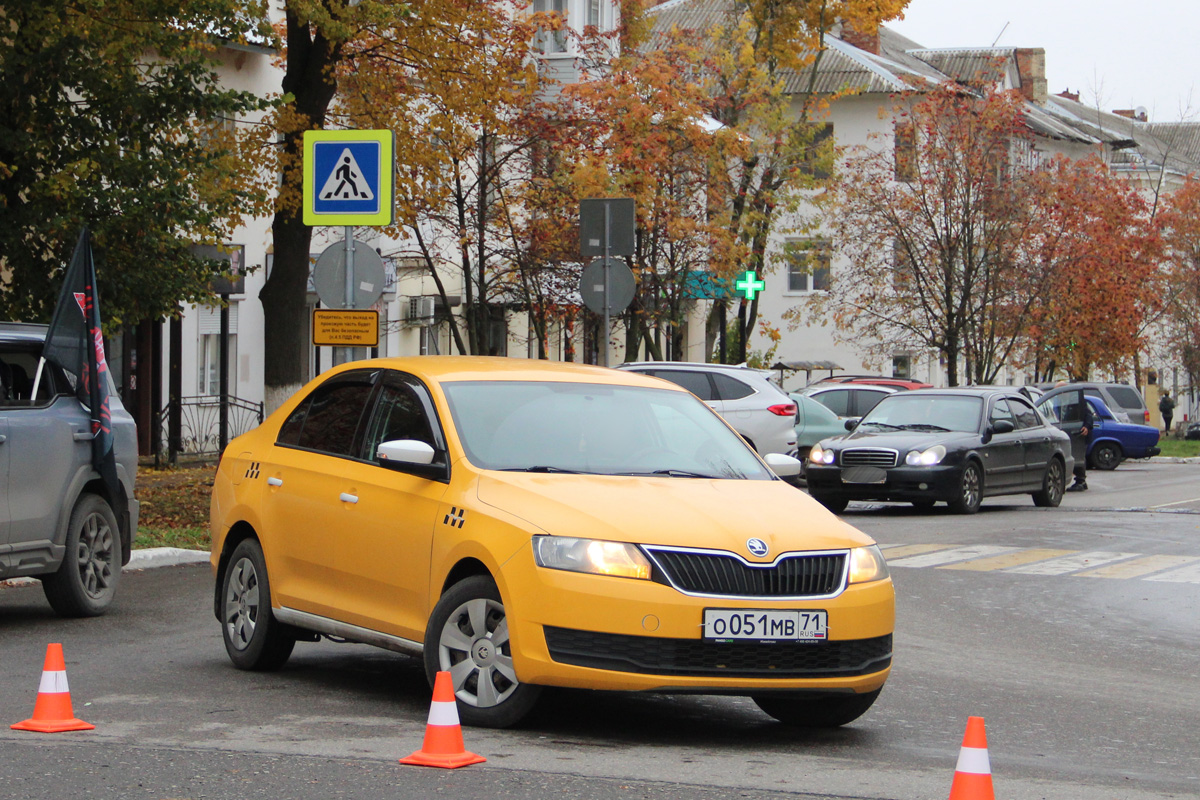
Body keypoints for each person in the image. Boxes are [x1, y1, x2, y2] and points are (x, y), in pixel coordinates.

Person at [1066, 389, 1093, 492]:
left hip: (1078, 434)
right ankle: (1080, 480)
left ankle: (1081, 481)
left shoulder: (1077, 402)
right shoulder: (1061, 402)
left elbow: (1089, 415)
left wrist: (1086, 426)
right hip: (1068, 432)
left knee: (1077, 456)